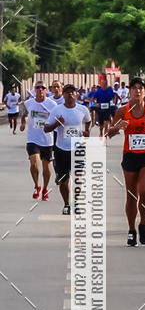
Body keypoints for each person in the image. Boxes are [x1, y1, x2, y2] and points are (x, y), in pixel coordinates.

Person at [107, 77, 145, 246]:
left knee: (144, 191)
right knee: (131, 195)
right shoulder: (123, 110)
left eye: (141, 88)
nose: (137, 91)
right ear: (129, 91)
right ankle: (131, 229)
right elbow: (109, 133)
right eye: (134, 88)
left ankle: (143, 223)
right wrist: (118, 127)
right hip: (130, 155)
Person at [44, 83, 91, 214]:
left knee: (78, 177)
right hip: (61, 149)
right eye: (67, 92)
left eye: (72, 92)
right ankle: (66, 204)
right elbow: (46, 128)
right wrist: (56, 123)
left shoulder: (82, 109)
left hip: (78, 148)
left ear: (76, 95)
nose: (70, 94)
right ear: (63, 95)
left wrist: (87, 131)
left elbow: (88, 121)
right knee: (64, 182)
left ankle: (76, 203)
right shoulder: (57, 110)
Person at [21, 82, 56, 200]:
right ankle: (37, 186)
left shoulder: (52, 104)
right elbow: (24, 114)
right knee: (34, 163)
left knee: (46, 168)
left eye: (43, 88)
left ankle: (45, 189)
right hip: (33, 138)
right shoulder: (29, 103)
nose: (40, 90)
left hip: (47, 139)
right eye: (38, 88)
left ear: (46, 90)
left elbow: (57, 119)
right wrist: (23, 123)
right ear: (34, 90)